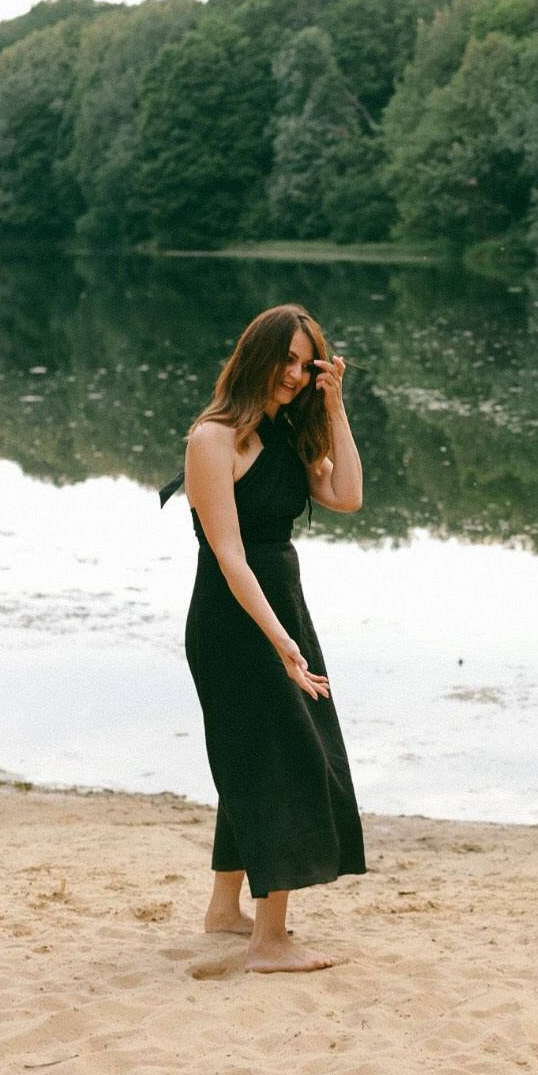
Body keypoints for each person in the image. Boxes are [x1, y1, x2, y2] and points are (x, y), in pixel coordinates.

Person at [164, 303, 366, 973]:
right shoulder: (212, 440)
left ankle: (225, 910)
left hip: (283, 608)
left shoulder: (289, 432)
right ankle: (269, 943)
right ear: (255, 356)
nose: (292, 374)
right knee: (284, 759)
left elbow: (348, 496)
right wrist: (282, 643)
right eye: (283, 359)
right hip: (233, 618)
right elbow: (229, 555)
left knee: (258, 752)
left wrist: (334, 407)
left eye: (305, 363)